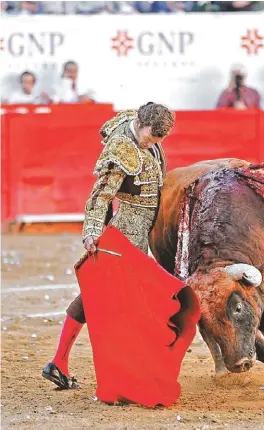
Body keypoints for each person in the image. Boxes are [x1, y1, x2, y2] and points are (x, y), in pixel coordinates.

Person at [42, 102, 175, 389]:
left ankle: (59, 362)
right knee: (123, 299)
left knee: (96, 296)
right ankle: (132, 367)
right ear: (140, 124)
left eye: (159, 140)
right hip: (127, 233)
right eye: (152, 137)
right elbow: (100, 197)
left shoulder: (140, 125)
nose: (154, 144)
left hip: (144, 230)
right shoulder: (122, 150)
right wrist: (91, 231)